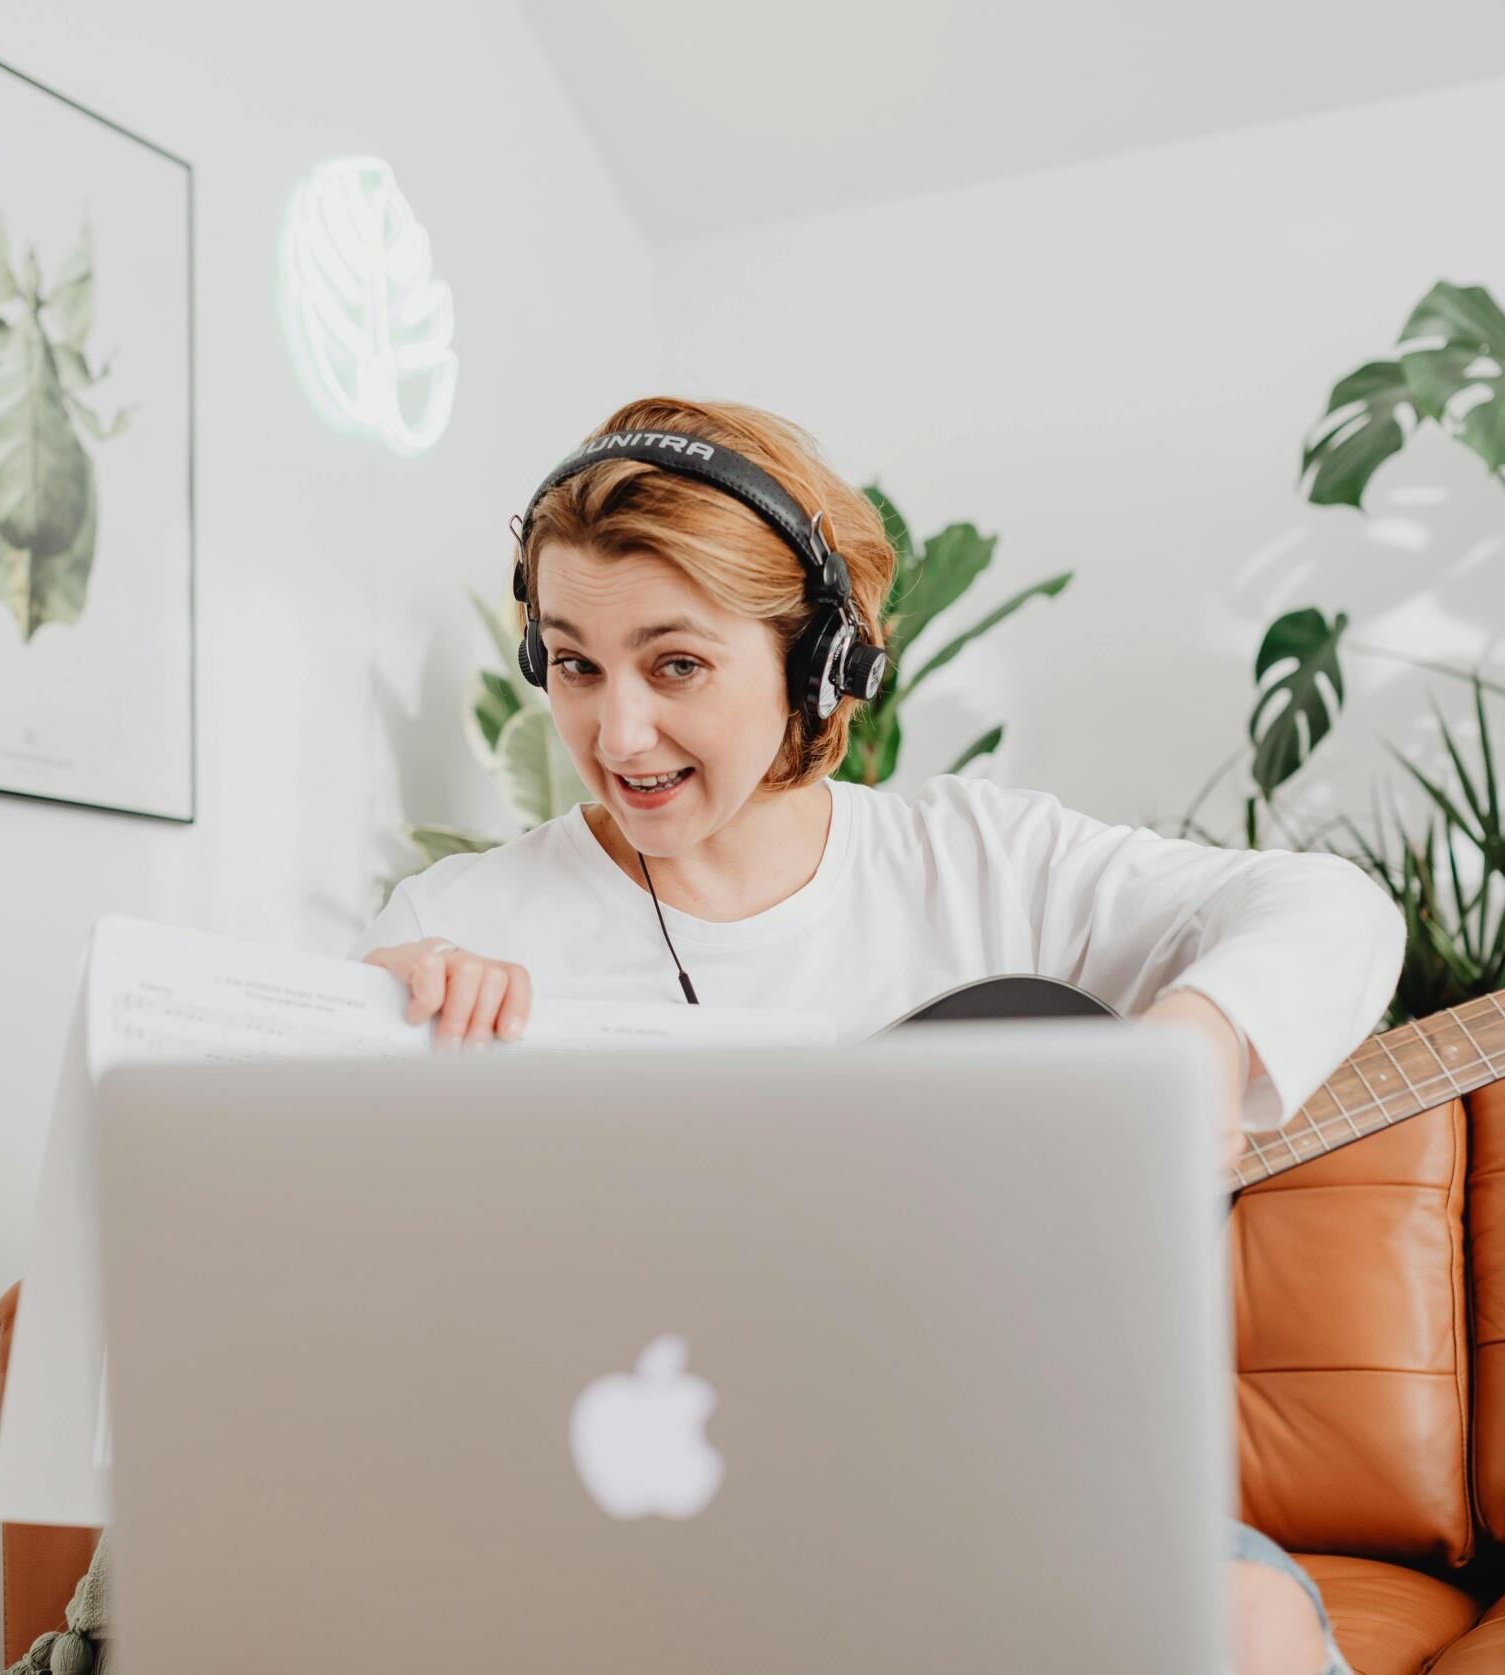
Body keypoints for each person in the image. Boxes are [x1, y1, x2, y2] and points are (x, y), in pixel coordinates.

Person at [353, 395, 1403, 1675]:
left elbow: (1328, 906)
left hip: (999, 1513)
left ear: (819, 663)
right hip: (629, 1548)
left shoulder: (984, 861)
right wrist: (365, 1030)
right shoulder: (458, 923)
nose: (615, 734)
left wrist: (1192, 1047)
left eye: (675, 664)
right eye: (574, 664)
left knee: (1244, 1627)